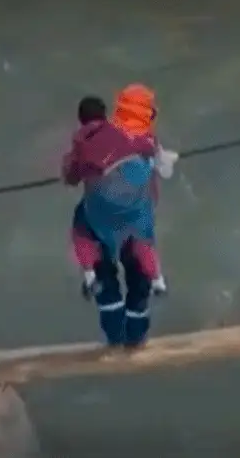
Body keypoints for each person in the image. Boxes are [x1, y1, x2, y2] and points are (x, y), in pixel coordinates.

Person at [61, 86, 178, 347]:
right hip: (136, 220)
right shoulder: (147, 141)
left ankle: (113, 332)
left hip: (100, 221)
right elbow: (163, 167)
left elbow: (71, 175)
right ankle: (136, 335)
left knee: (86, 234)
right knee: (138, 273)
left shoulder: (88, 141)